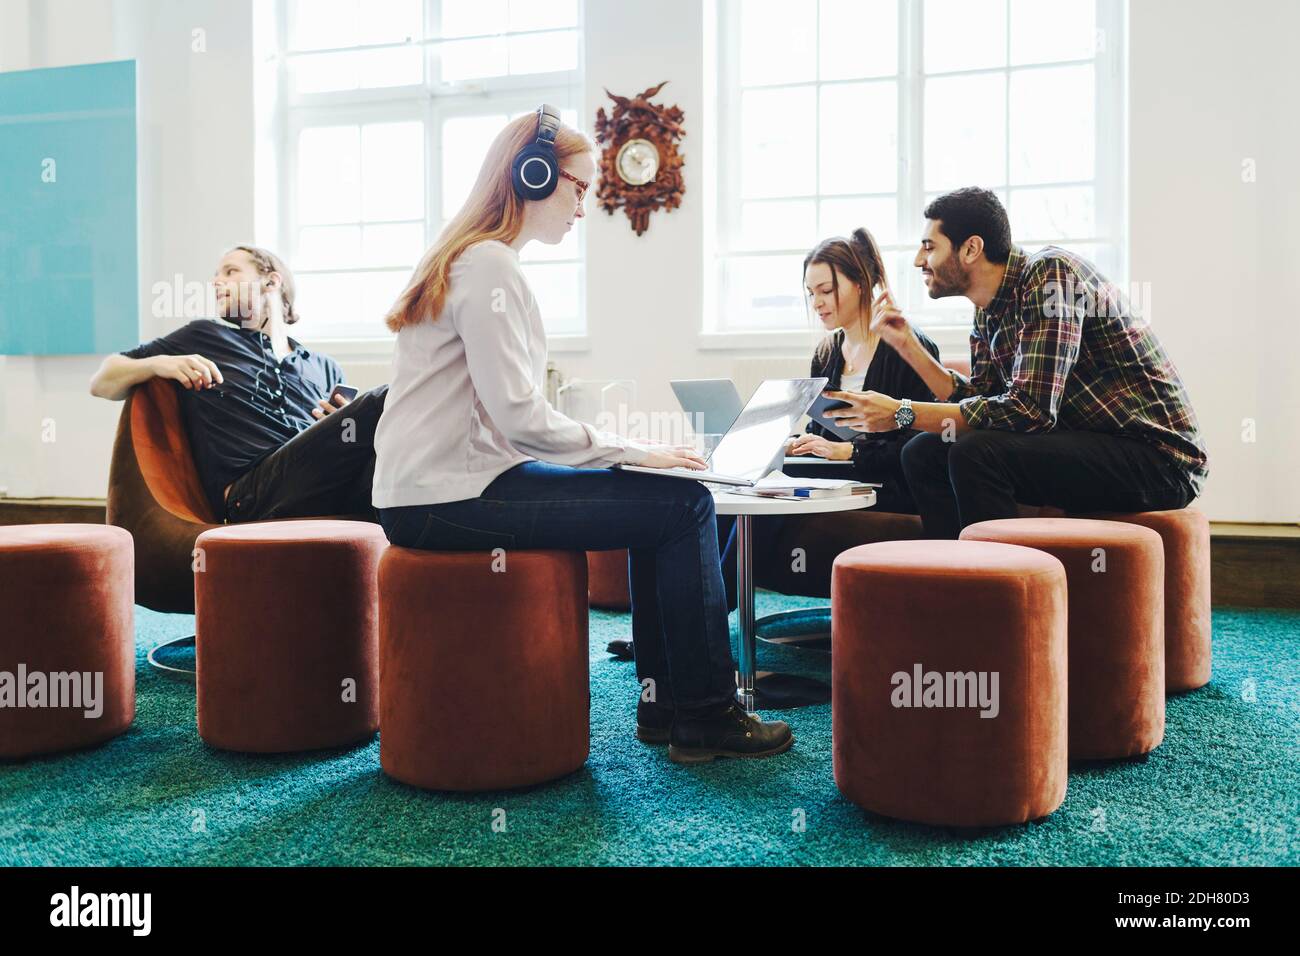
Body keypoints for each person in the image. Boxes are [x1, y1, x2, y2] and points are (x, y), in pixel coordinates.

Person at [370, 105, 793, 765]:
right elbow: (521, 419)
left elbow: (512, 418)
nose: (582, 206)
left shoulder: (476, 260)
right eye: (578, 187)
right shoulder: (488, 267)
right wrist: (634, 451)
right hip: (448, 498)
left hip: (441, 489)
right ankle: (705, 714)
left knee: (663, 496)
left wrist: (632, 457)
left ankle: (665, 703)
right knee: (686, 505)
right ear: (533, 176)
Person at [825, 187, 1207, 538]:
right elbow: (980, 399)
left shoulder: (1050, 275)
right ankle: (952, 580)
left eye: (929, 246)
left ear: (971, 248)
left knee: (976, 452)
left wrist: (901, 413)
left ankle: (998, 593)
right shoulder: (987, 310)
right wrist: (907, 344)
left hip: (1157, 459)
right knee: (923, 452)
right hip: (1088, 444)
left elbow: (1030, 411)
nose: (918, 260)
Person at [90, 246, 387, 523]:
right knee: (382, 401)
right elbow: (102, 382)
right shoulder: (204, 336)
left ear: (271, 282)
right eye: (216, 275)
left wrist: (342, 426)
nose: (217, 282)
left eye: (230, 272)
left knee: (387, 463)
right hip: (251, 495)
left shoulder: (324, 367)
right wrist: (159, 363)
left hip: (319, 485)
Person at [789, 227, 941, 514]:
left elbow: (924, 441)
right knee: (761, 487)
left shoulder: (907, 347)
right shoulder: (826, 354)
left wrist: (852, 452)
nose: (816, 302)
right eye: (811, 293)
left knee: (781, 496)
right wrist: (799, 444)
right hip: (837, 480)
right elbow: (819, 429)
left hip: (887, 483)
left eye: (826, 290)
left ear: (860, 283)